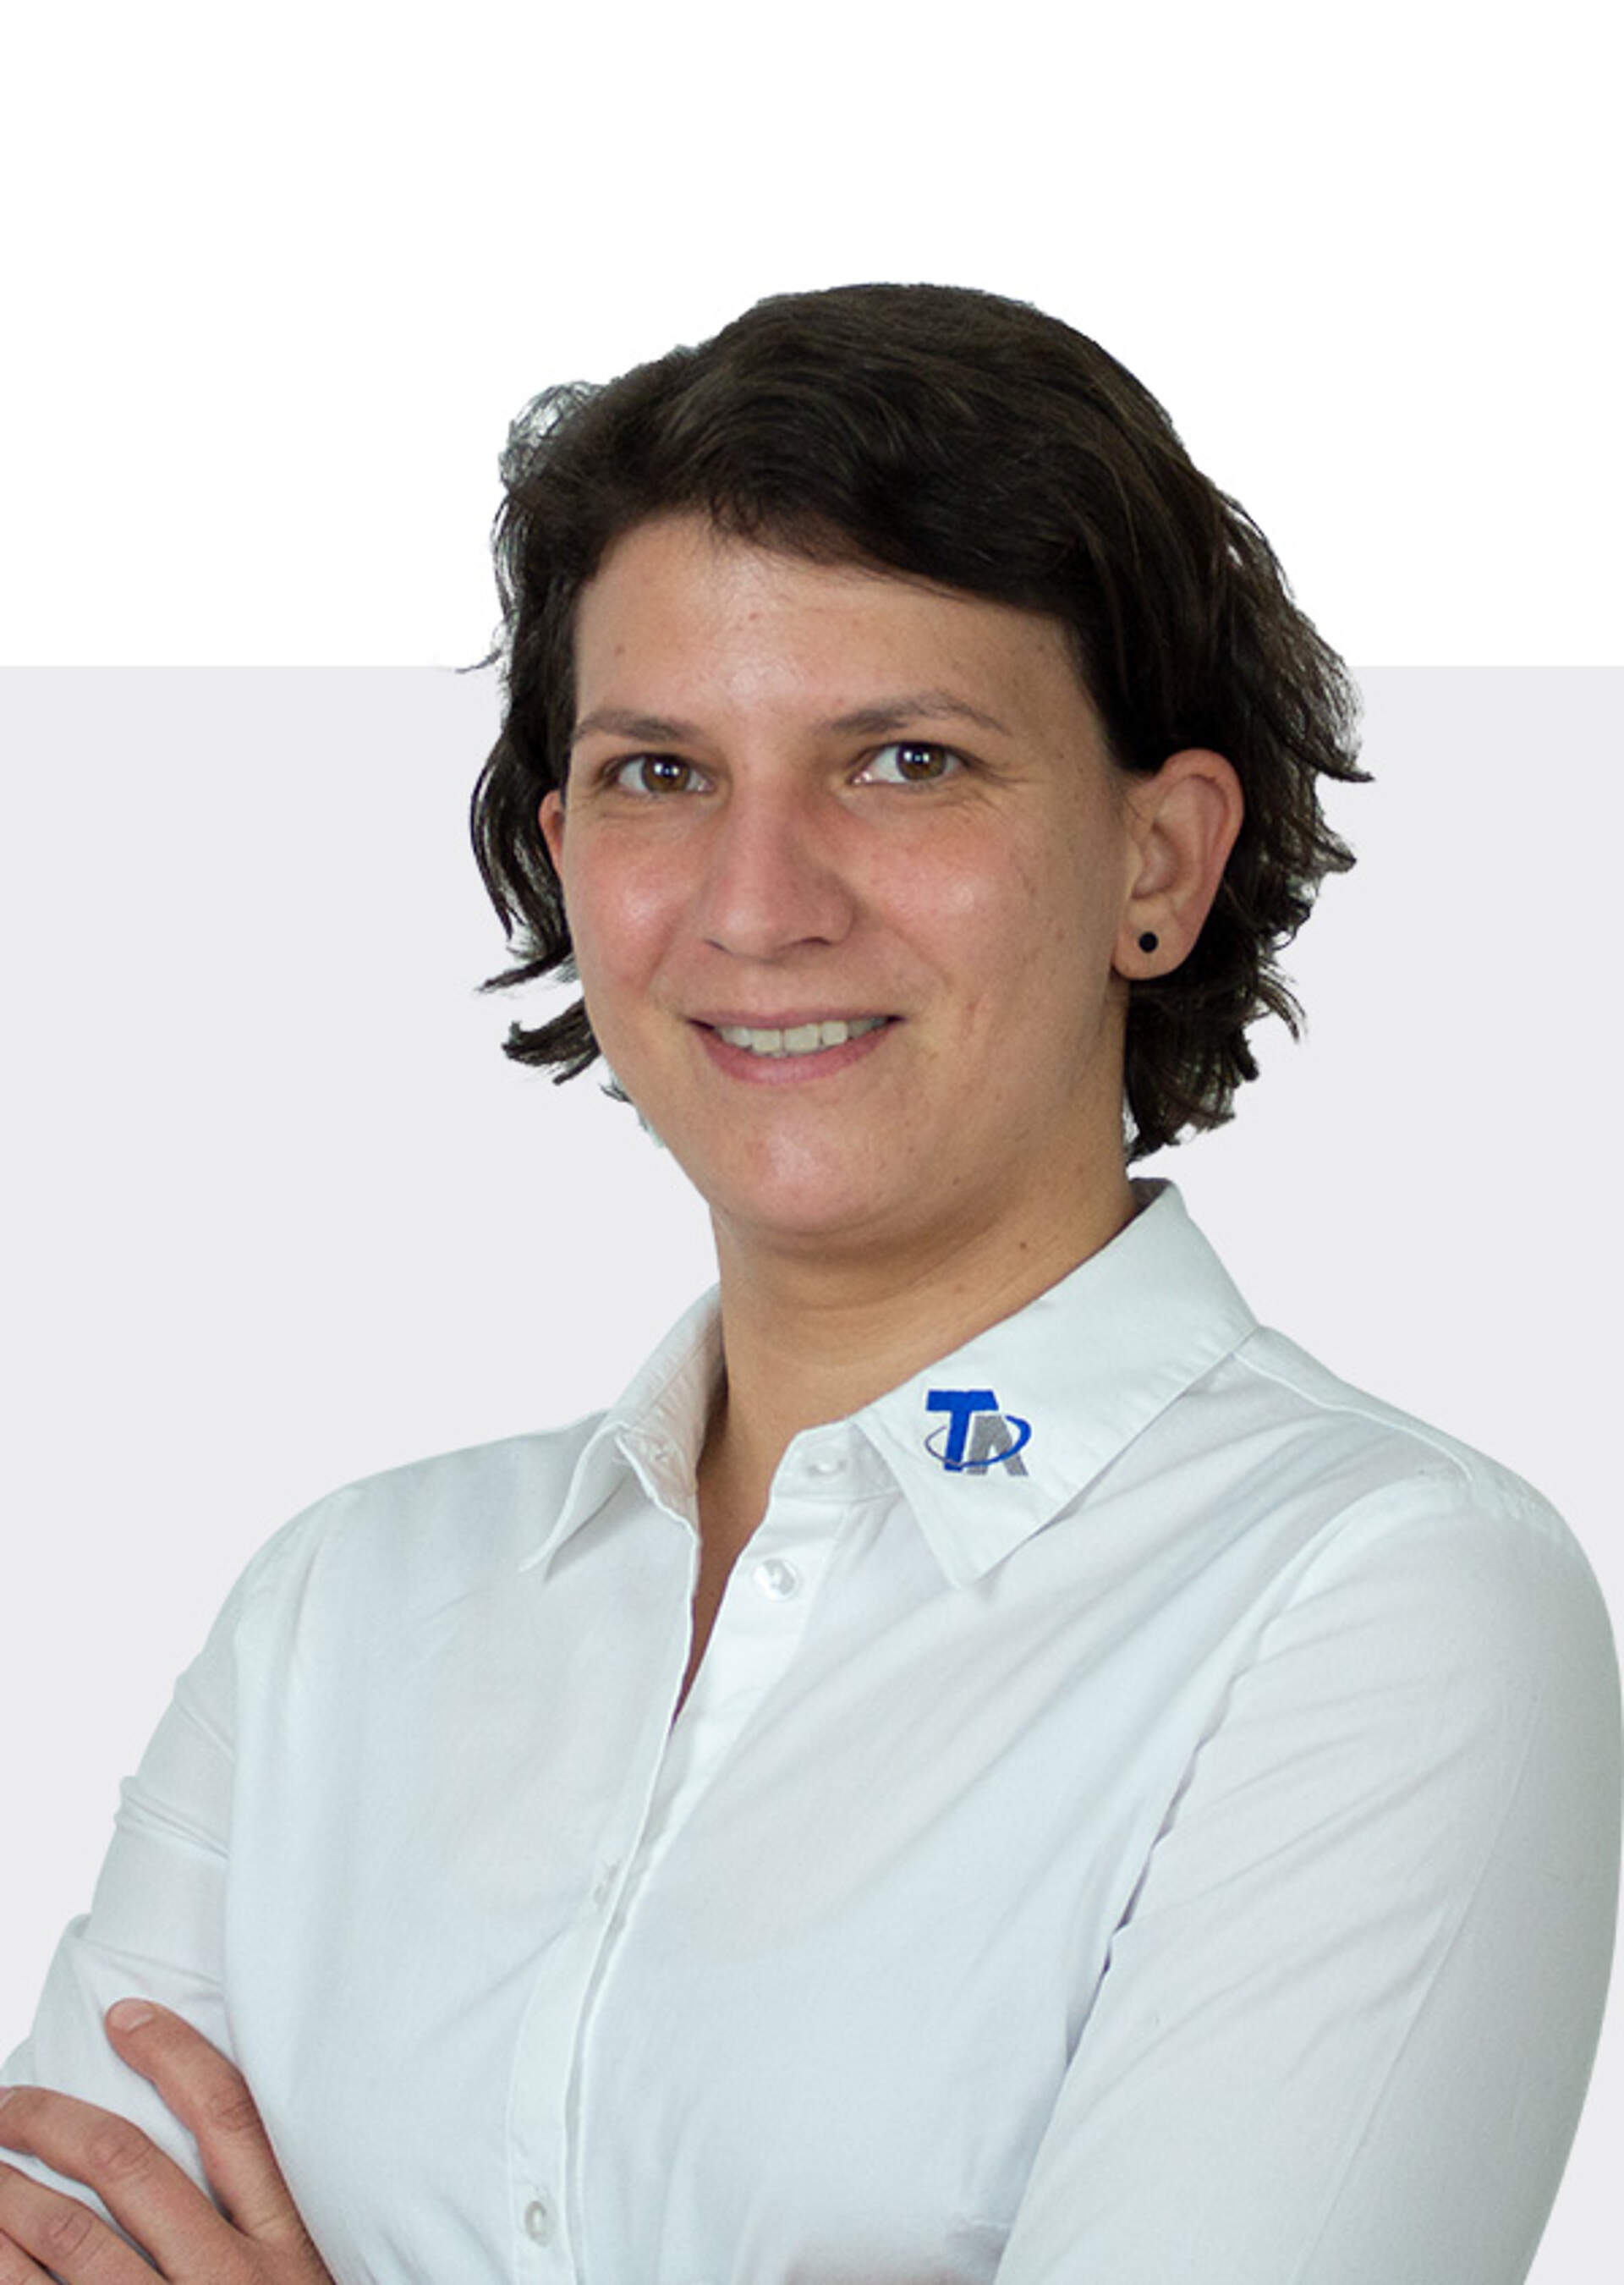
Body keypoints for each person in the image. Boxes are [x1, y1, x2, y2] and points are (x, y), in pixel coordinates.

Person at [1, 283, 1617, 2285]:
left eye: (908, 760)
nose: (758, 902)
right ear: (563, 850)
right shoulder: (340, 1613)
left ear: (1159, 861)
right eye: (660, 774)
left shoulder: (1380, 1601)